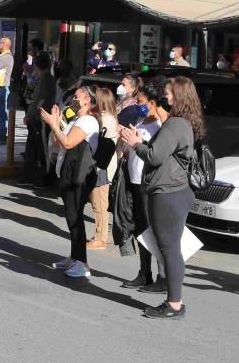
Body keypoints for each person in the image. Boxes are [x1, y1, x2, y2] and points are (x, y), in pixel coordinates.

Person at [120, 76, 204, 319]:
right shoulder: (182, 122)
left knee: (169, 250)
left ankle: (174, 303)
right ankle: (173, 300)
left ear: (179, 95)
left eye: (169, 92)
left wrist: (135, 143)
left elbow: (155, 156)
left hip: (169, 193)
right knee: (170, 249)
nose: (166, 96)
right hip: (173, 191)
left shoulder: (176, 124)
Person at [40, 86, 101, 279]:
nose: (73, 100)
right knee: (70, 216)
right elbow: (61, 141)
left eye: (77, 97)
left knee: (75, 219)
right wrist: (57, 123)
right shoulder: (77, 119)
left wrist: (53, 124)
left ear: (86, 101)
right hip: (69, 172)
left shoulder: (88, 120)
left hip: (79, 176)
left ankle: (82, 263)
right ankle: (74, 257)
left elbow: (67, 142)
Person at [119, 80, 165, 292]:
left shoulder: (162, 125)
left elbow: (157, 154)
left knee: (152, 230)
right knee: (140, 229)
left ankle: (163, 275)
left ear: (153, 102)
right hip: (134, 179)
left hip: (149, 183)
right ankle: (144, 272)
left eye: (141, 100)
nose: (138, 103)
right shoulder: (139, 119)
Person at [87, 87, 119, 250]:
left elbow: (103, 144)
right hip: (103, 164)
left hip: (103, 166)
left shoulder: (106, 120)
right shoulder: (108, 117)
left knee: (99, 202)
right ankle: (98, 234)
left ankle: (101, 238)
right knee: (97, 201)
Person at [23, 50, 55, 185]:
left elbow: (39, 100)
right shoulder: (45, 77)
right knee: (35, 146)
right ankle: (35, 174)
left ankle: (44, 176)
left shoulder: (45, 78)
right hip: (39, 116)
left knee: (42, 147)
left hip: (40, 117)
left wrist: (30, 115)